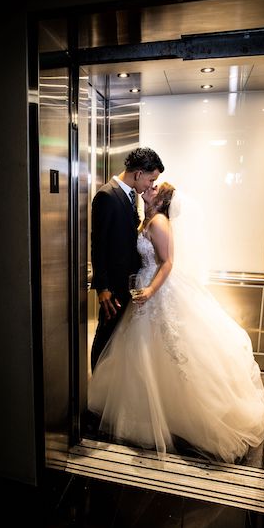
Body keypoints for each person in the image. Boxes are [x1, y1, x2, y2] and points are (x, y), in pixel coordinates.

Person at [88, 182, 264, 464]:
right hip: (144, 286)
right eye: (150, 184)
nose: (149, 188)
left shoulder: (159, 221)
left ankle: (183, 413)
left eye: (154, 188)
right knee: (144, 350)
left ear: (160, 201)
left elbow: (168, 262)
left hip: (156, 289)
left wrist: (149, 291)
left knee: (168, 348)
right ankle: (146, 409)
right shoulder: (147, 218)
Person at [90, 147, 164, 371]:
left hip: (129, 282)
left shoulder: (131, 195)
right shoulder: (106, 195)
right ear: (139, 173)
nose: (151, 185)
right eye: (151, 179)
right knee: (105, 337)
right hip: (113, 285)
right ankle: (96, 391)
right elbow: (99, 245)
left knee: (117, 341)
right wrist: (102, 287)